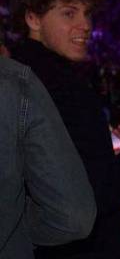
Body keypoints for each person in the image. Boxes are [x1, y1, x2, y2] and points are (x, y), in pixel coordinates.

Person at [9, 0, 120, 259]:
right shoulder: (57, 89)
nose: (85, 24)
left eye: (87, 13)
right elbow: (94, 195)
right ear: (33, 19)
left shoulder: (21, 77)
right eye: (69, 13)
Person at [0, 56, 96, 259]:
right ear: (33, 22)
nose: (85, 25)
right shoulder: (15, 82)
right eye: (67, 20)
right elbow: (73, 216)